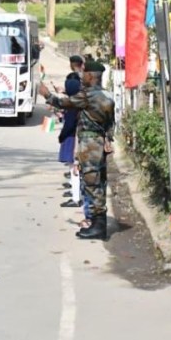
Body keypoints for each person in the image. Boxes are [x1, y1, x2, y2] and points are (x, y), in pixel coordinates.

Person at [38, 61, 116, 240]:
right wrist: (108, 139)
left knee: (90, 183)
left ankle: (97, 226)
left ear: (90, 76)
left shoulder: (87, 96)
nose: (82, 77)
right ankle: (99, 222)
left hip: (89, 143)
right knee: (99, 182)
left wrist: (47, 95)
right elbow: (110, 122)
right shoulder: (107, 95)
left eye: (84, 74)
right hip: (100, 142)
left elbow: (64, 103)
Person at [58, 65, 82, 208]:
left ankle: (76, 197)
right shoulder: (78, 101)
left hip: (73, 139)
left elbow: (70, 124)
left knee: (75, 167)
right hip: (76, 138)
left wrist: (62, 136)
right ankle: (75, 193)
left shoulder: (73, 105)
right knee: (74, 166)